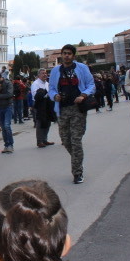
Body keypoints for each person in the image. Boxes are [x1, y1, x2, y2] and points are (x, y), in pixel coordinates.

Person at [48, 44, 95, 184]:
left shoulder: (81, 68)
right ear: (61, 55)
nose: (66, 55)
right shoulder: (56, 70)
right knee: (66, 140)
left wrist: (83, 95)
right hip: (62, 109)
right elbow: (51, 88)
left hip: (77, 109)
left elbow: (91, 85)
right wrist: (54, 95)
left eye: (69, 53)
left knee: (75, 140)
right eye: (64, 53)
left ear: (73, 56)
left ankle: (77, 172)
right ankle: (77, 160)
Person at [0, 71, 15, 153]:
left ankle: (11, 145)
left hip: (8, 106)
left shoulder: (8, 83)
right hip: (0, 107)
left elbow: (10, 94)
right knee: (3, 127)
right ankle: (6, 145)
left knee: (7, 125)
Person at [31, 68, 55, 148]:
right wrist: (44, 94)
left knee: (47, 121)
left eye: (45, 73)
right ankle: (39, 141)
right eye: (43, 73)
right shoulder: (35, 84)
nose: (45, 74)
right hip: (39, 104)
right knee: (40, 122)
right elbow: (35, 95)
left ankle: (45, 139)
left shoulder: (47, 83)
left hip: (47, 103)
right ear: (38, 75)